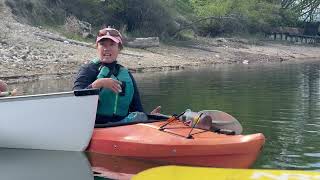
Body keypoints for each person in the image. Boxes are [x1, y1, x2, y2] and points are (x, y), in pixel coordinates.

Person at [73, 27, 160, 124]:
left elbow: (137, 109)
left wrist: (150, 118)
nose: (107, 48)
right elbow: (75, 101)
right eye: (102, 44)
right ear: (97, 47)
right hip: (94, 126)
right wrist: (97, 84)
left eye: (112, 44)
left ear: (119, 48)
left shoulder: (126, 74)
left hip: (121, 126)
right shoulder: (88, 70)